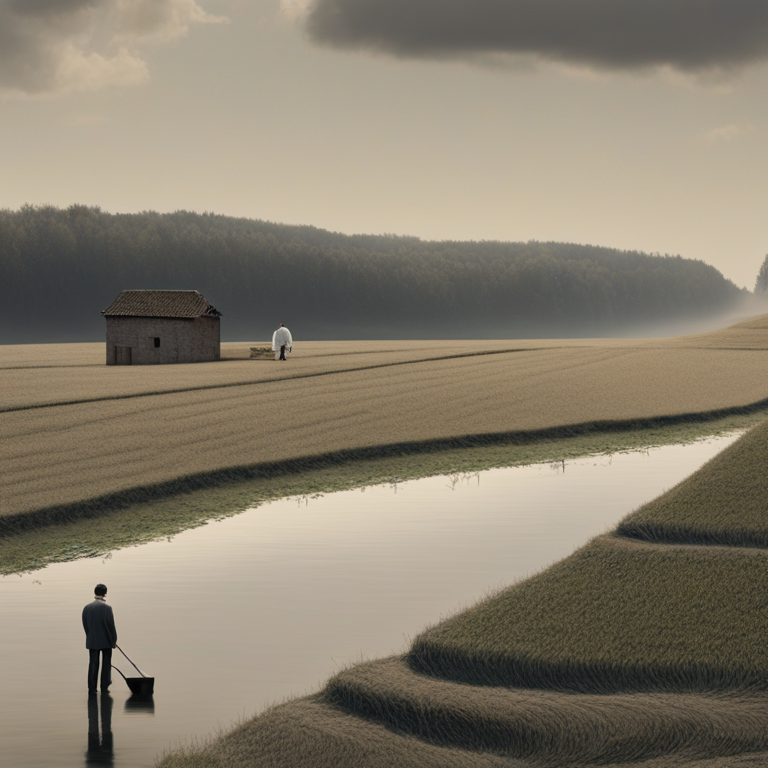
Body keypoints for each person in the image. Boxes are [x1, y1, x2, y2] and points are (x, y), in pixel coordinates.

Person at [82, 584, 117, 695]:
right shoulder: (107, 608)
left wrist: (90, 636)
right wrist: (114, 640)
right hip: (106, 640)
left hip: (92, 640)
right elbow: (111, 625)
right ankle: (104, 685)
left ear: (95, 592)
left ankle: (92, 688)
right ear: (105, 593)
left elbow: (85, 625)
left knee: (93, 663)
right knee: (106, 663)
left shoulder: (87, 608)